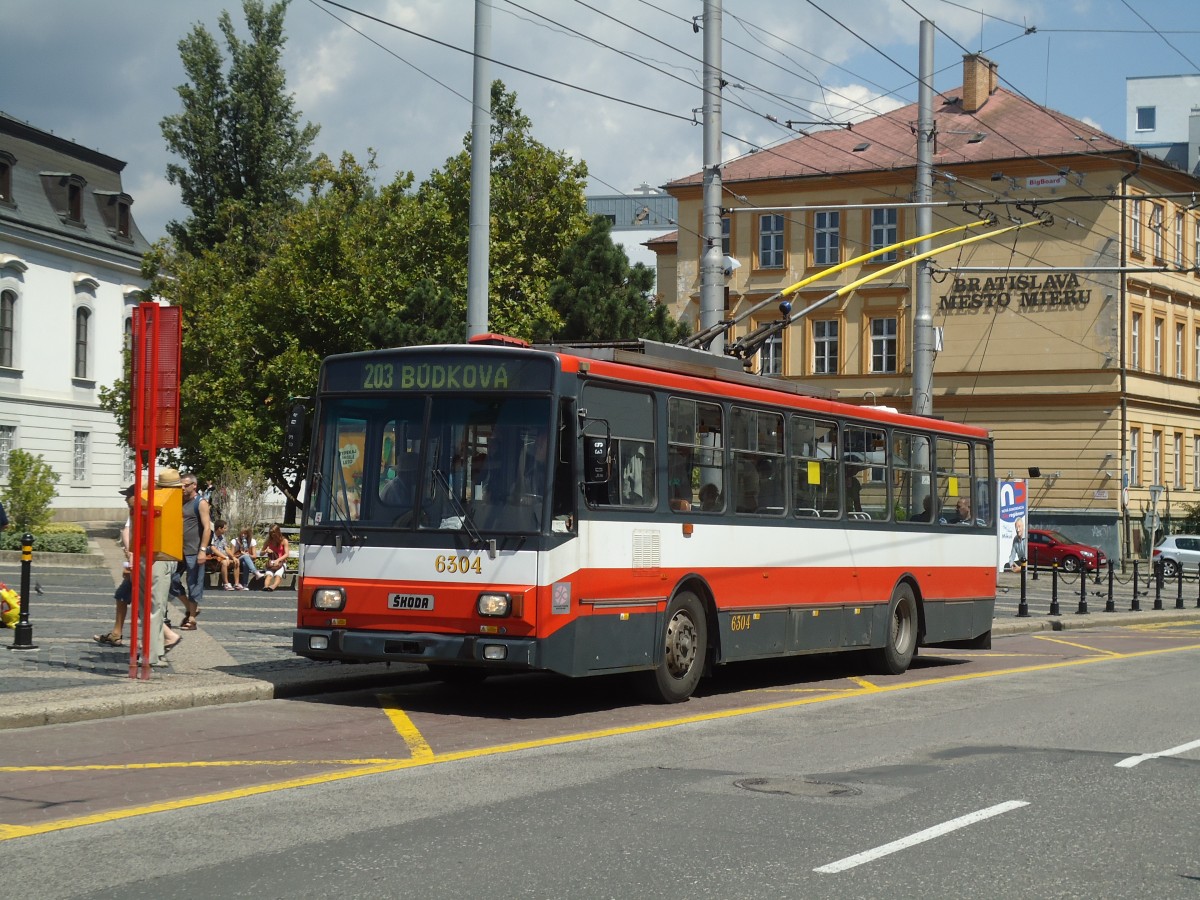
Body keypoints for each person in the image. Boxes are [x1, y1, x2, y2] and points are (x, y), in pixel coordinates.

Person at [93, 483, 182, 654]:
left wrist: (132, 557)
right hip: (145, 561)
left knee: (146, 605)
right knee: (136, 601)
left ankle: (164, 638)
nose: (126, 499)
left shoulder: (148, 508)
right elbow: (129, 533)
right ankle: (129, 636)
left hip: (149, 563)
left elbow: (137, 535)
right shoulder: (138, 509)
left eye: (128, 495)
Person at [170, 473, 212, 630]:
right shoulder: (179, 501)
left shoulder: (200, 503)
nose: (182, 488)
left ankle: (192, 619)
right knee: (171, 580)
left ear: (194, 485)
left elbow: (207, 528)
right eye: (180, 485)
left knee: (193, 584)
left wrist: (202, 550)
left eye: (185, 485)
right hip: (177, 550)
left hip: (194, 551)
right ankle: (190, 607)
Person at [208, 520, 238, 590]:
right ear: (219, 528)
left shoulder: (222, 537)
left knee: (237, 561)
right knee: (224, 562)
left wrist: (233, 557)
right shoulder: (211, 536)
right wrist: (225, 557)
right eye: (224, 528)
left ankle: (237, 584)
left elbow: (226, 548)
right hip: (213, 559)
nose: (226, 530)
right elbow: (213, 549)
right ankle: (226, 583)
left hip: (222, 557)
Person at [261, 524, 290, 592]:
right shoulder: (268, 541)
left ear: (278, 532)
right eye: (271, 533)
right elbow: (261, 553)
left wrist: (278, 560)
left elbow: (287, 554)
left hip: (281, 562)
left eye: (274, 533)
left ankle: (273, 586)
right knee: (269, 574)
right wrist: (265, 551)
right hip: (271, 562)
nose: (273, 535)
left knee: (278, 574)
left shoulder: (284, 541)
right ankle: (266, 586)